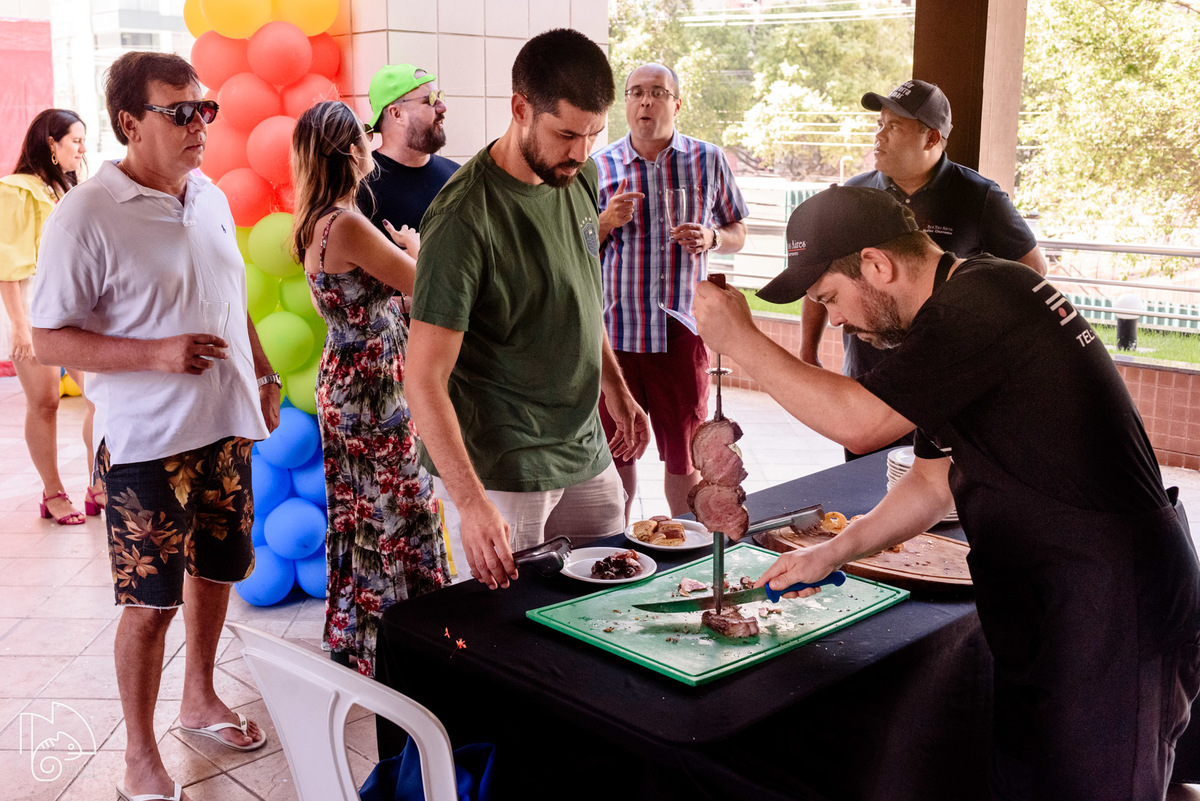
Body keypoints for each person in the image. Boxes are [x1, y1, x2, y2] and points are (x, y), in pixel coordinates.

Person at [693, 185, 1200, 801]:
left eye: (830, 298)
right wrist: (831, 552)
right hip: (1048, 591)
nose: (837, 320)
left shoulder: (986, 298)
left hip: (1115, 597)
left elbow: (861, 422)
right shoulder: (950, 322)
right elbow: (932, 486)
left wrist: (741, 339)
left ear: (877, 265)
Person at [30, 52, 280, 801]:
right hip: (146, 444)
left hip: (225, 424)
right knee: (150, 604)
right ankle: (139, 753)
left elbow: (230, 298)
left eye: (205, 110)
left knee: (217, 570)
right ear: (130, 122)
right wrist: (155, 353)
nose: (199, 124)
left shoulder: (208, 196)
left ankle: (199, 696)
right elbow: (48, 338)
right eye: (180, 111)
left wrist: (262, 373)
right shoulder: (88, 212)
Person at [406, 28, 651, 590]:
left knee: (606, 604)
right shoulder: (463, 219)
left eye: (593, 134)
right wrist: (470, 504)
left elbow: (579, 293)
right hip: (504, 470)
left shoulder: (580, 176)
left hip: (584, 447)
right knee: (510, 637)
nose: (581, 152)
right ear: (520, 108)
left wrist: (615, 386)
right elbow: (422, 378)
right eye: (566, 133)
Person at [798, 79, 1048, 459]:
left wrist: (980, 339)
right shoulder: (855, 195)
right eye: (879, 124)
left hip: (947, 384)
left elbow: (1032, 270)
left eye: (894, 126)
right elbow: (820, 279)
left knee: (939, 494)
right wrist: (807, 351)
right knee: (866, 492)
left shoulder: (978, 197)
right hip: (872, 378)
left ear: (931, 139)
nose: (879, 136)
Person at [291, 100, 449, 677]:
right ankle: (402, 639)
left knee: (361, 513)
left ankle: (364, 637)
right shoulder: (348, 223)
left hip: (347, 379)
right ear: (351, 150)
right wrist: (412, 246)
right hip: (372, 388)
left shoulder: (315, 218)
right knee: (396, 507)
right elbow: (425, 284)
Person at [592, 62, 748, 520]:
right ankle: (618, 544)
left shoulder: (708, 159)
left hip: (680, 330)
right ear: (625, 103)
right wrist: (604, 223)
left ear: (677, 103)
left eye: (657, 92)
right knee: (618, 447)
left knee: (684, 452)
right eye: (635, 92)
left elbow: (737, 229)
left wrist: (713, 237)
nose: (645, 101)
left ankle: (685, 540)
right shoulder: (598, 166)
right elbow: (572, 245)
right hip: (614, 335)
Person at [0, 108, 104, 524]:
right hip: (32, 309)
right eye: (75, 140)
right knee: (44, 403)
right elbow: (7, 265)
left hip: (75, 313)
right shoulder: (15, 190)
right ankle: (53, 493)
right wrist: (21, 326)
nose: (83, 148)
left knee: (101, 398)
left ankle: (99, 484)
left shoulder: (68, 190)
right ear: (51, 143)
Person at [358, 63, 458, 236]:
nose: (443, 108)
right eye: (431, 100)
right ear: (397, 113)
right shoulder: (361, 187)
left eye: (440, 97)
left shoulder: (457, 177)